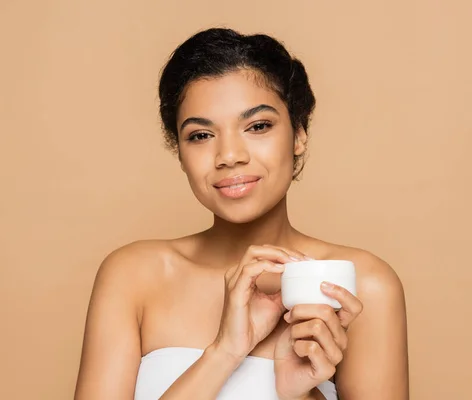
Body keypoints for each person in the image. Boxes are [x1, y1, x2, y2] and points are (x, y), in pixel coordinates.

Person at [74, 27, 408, 400]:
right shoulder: (133, 276)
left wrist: (297, 393)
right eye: (201, 135)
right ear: (179, 152)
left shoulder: (360, 286)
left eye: (258, 126)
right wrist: (224, 353)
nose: (229, 155)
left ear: (298, 134)